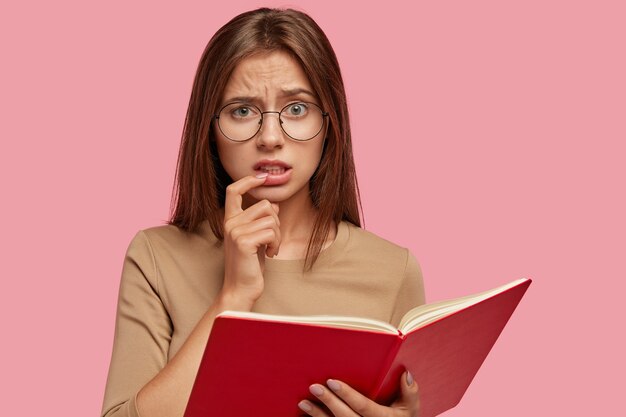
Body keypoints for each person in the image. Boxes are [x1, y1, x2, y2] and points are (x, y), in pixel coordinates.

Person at [101, 7, 425, 417]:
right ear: (209, 128)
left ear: (330, 125)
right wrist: (233, 296)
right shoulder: (155, 257)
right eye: (242, 111)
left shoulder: (392, 269)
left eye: (296, 109)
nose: (270, 138)